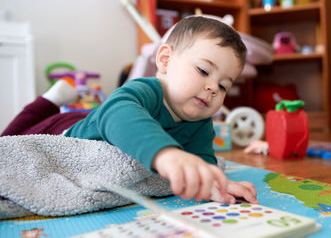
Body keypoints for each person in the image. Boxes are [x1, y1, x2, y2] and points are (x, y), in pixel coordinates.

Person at [1, 16, 258, 204]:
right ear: (165, 60)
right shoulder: (145, 90)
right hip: (63, 128)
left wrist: (214, 184)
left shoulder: (201, 120)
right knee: (11, 137)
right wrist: (167, 154)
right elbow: (120, 113)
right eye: (203, 71)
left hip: (95, 120)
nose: (213, 88)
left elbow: (202, 161)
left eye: (224, 85)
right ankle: (49, 99)